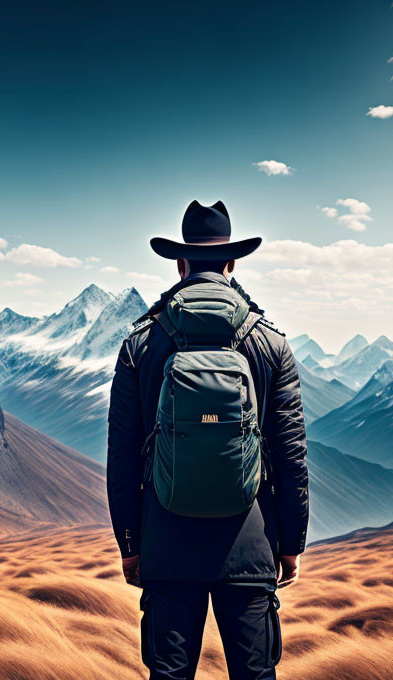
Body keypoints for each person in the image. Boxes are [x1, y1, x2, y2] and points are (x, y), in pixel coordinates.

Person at [107, 200, 309, 680]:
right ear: (232, 263)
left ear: (180, 263)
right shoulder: (271, 344)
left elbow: (122, 459)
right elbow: (291, 457)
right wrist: (291, 544)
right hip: (251, 542)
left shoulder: (140, 344)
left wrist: (131, 544)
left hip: (168, 545)